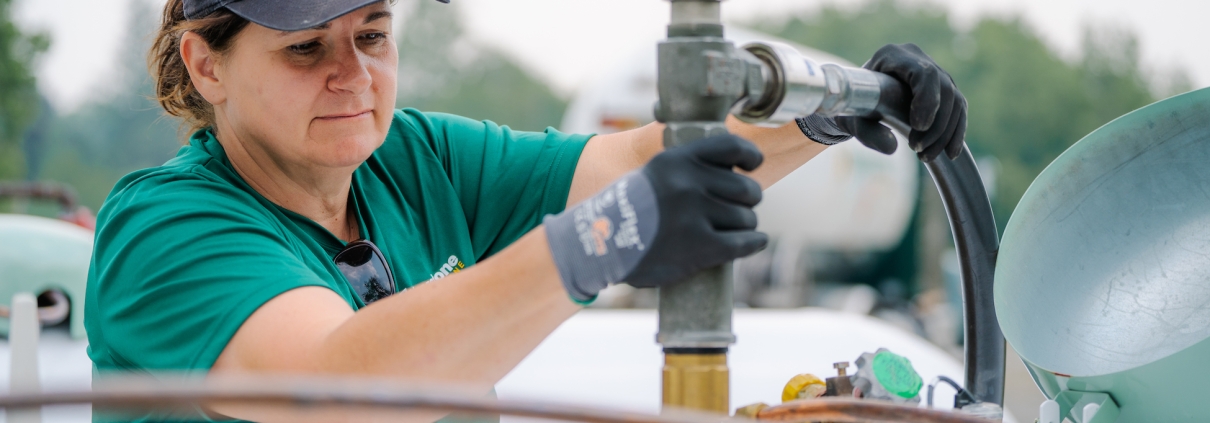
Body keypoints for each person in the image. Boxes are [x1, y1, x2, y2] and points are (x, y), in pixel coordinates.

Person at [84, 0, 968, 421]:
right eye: (306, 48)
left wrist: (827, 114)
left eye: (373, 35)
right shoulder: (164, 232)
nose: (352, 76)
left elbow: (630, 161)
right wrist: (604, 239)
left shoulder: (412, 157)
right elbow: (335, 382)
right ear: (206, 65)